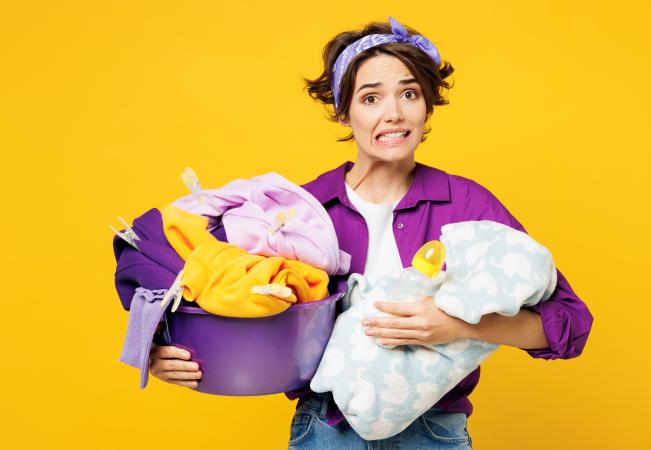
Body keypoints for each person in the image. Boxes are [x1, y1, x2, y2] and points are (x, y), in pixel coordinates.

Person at [148, 16, 594, 449]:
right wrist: (168, 352)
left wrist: (453, 326)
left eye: (409, 93)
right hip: (325, 431)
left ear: (427, 105)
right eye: (370, 98)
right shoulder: (295, 211)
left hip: (433, 433)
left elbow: (570, 324)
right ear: (344, 113)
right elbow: (213, 285)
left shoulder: (467, 206)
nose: (394, 114)